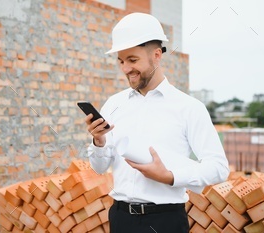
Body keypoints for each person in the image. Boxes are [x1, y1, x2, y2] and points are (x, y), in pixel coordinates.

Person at [84, 12, 229, 233]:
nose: (125, 69)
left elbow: (218, 169)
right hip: (120, 219)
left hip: (166, 222)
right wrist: (99, 141)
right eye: (121, 61)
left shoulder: (189, 107)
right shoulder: (113, 104)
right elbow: (99, 167)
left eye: (133, 60)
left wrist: (170, 177)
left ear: (157, 55)